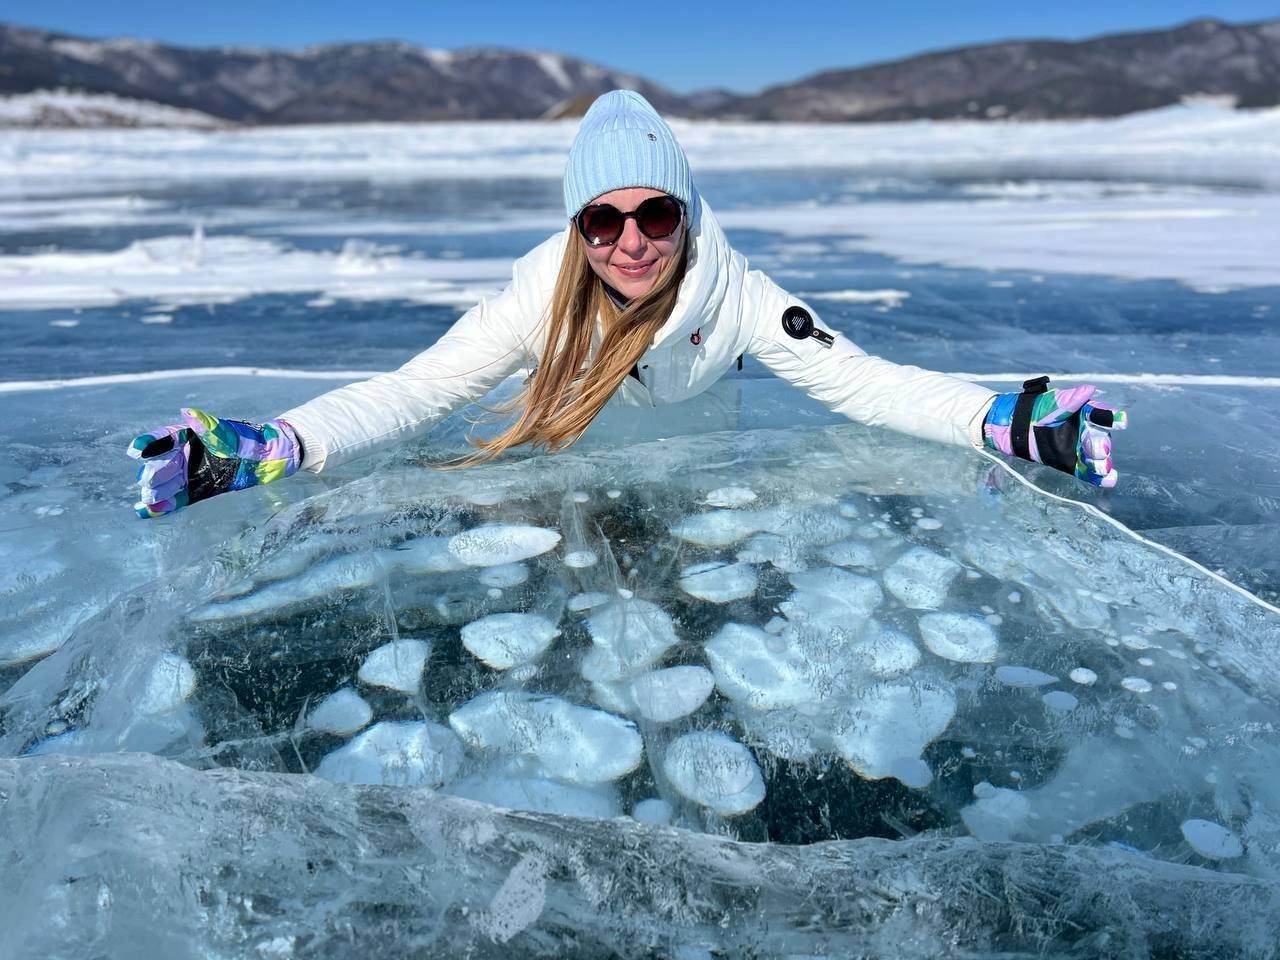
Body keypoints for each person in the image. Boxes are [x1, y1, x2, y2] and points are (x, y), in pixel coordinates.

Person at [129, 91, 1126, 518]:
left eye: (653, 211)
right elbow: (413, 391)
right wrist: (279, 447)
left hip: (700, 484)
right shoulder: (537, 296)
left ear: (683, 210)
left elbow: (864, 383)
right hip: (574, 482)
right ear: (575, 230)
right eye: (600, 222)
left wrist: (1002, 421)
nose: (630, 240)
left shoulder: (734, 293)